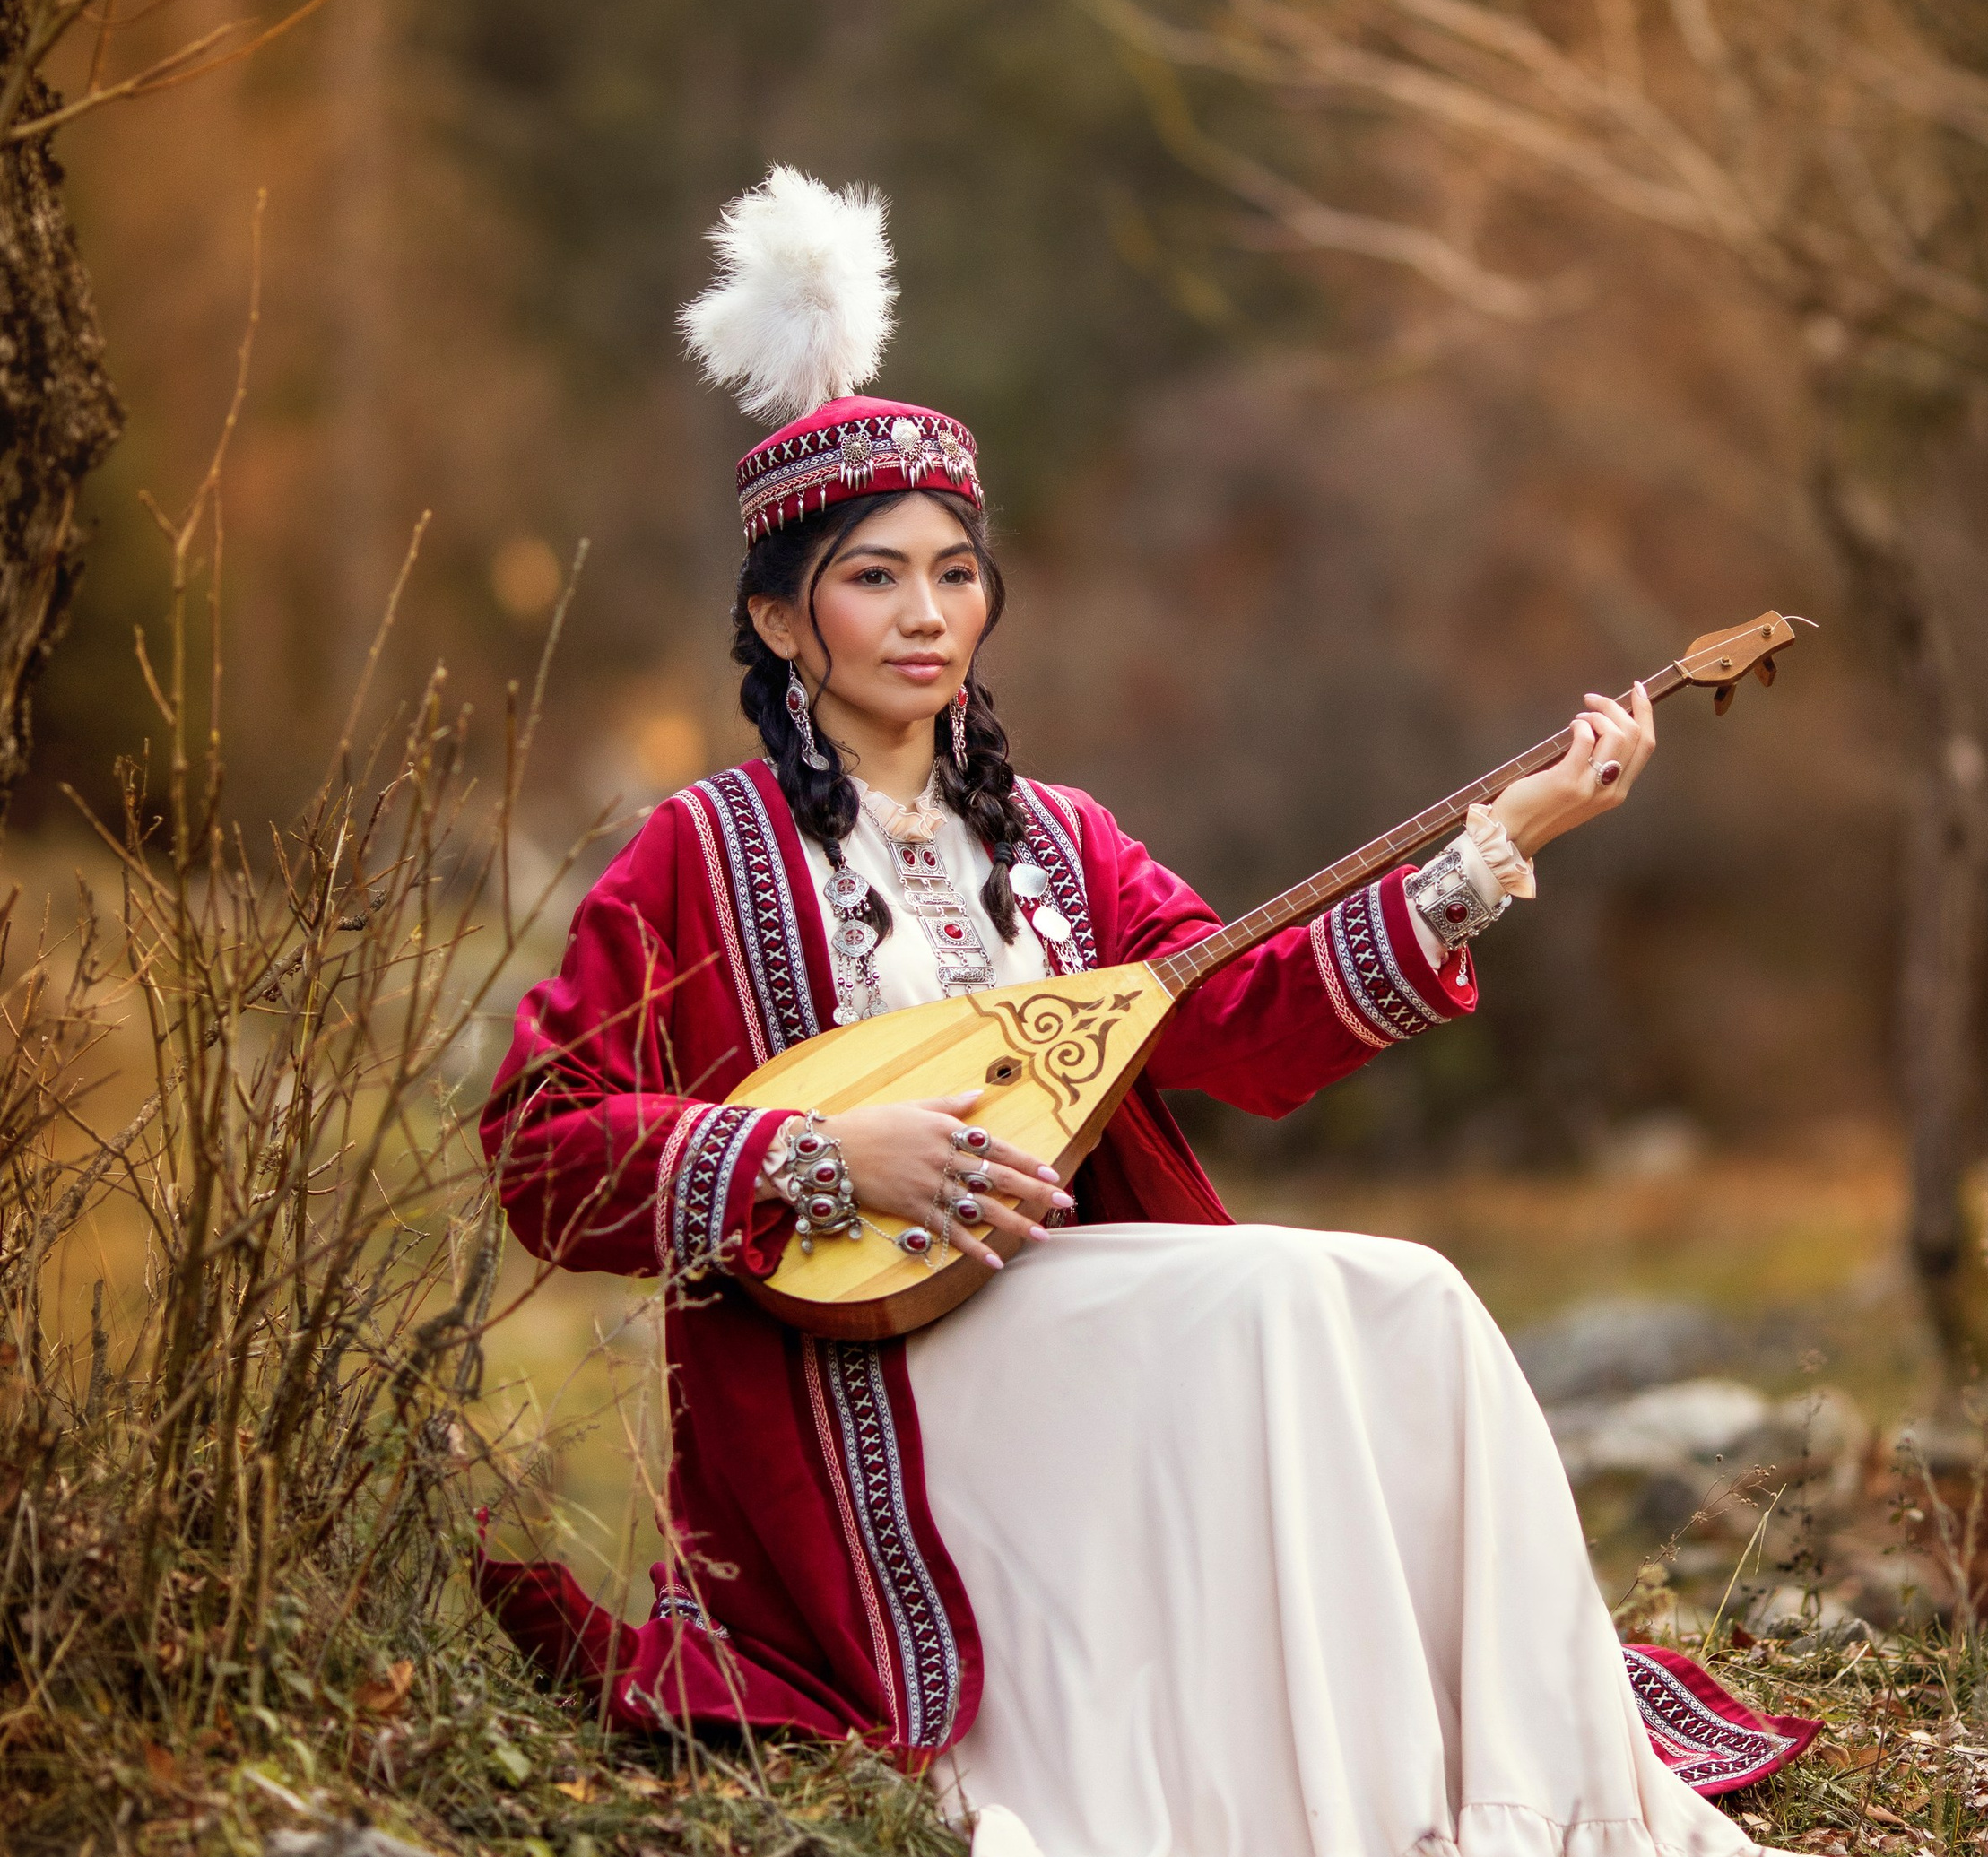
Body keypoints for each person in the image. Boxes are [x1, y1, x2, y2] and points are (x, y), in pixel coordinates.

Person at [480, 169, 1811, 1857]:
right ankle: (1325, 1796)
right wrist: (816, 1155)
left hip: (1078, 1307)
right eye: (874, 577)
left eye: (956, 574)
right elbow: (540, 1149)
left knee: (1409, 1294)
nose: (925, 615)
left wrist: (1497, 850)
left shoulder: (1063, 842)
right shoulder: (695, 858)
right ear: (776, 618)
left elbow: (1242, 1027)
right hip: (864, 1397)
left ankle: (1487, 1786)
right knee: (1264, 1305)